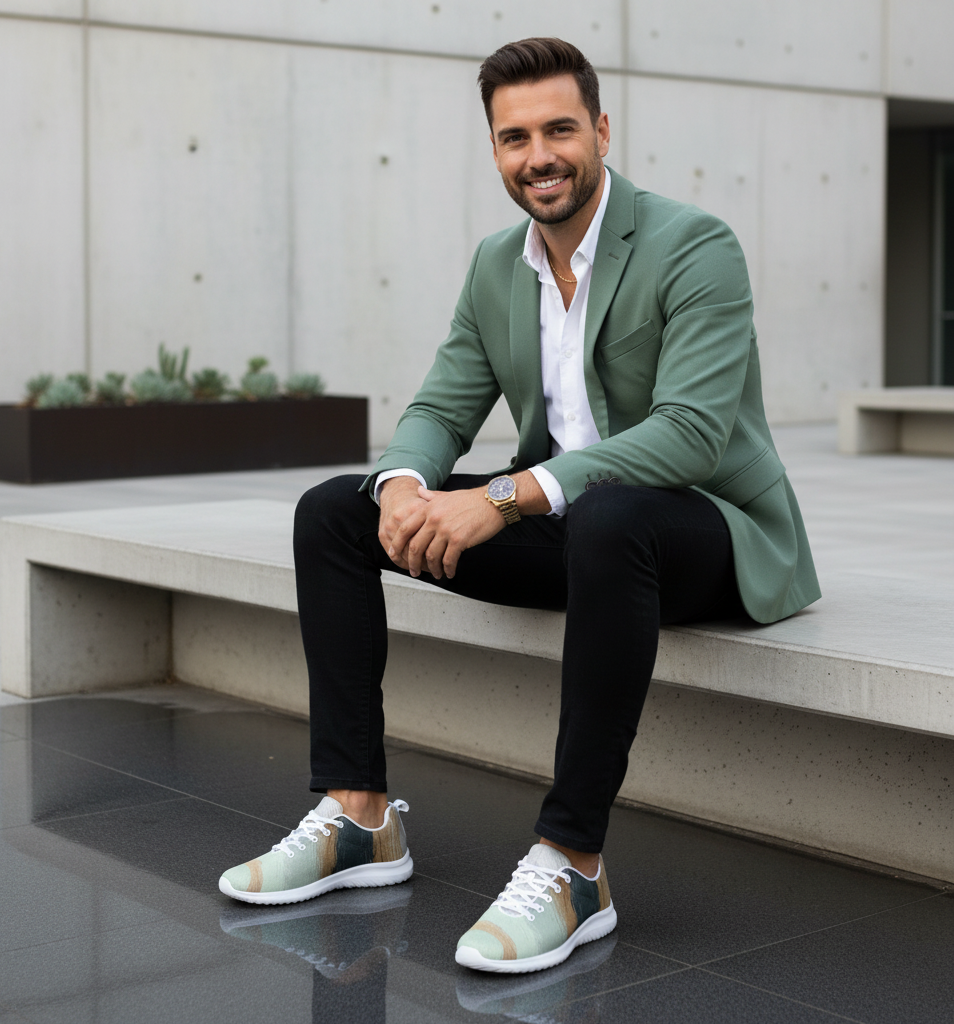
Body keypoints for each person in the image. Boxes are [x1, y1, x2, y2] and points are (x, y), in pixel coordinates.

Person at [219, 37, 820, 974]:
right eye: (514, 138)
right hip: (572, 535)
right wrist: (408, 488)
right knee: (336, 509)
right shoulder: (499, 264)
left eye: (558, 130)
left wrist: (504, 496)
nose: (538, 155)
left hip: (703, 531)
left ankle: (574, 865)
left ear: (601, 131)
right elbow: (439, 406)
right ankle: (357, 817)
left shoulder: (694, 244)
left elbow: (692, 434)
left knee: (614, 514)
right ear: (495, 149)